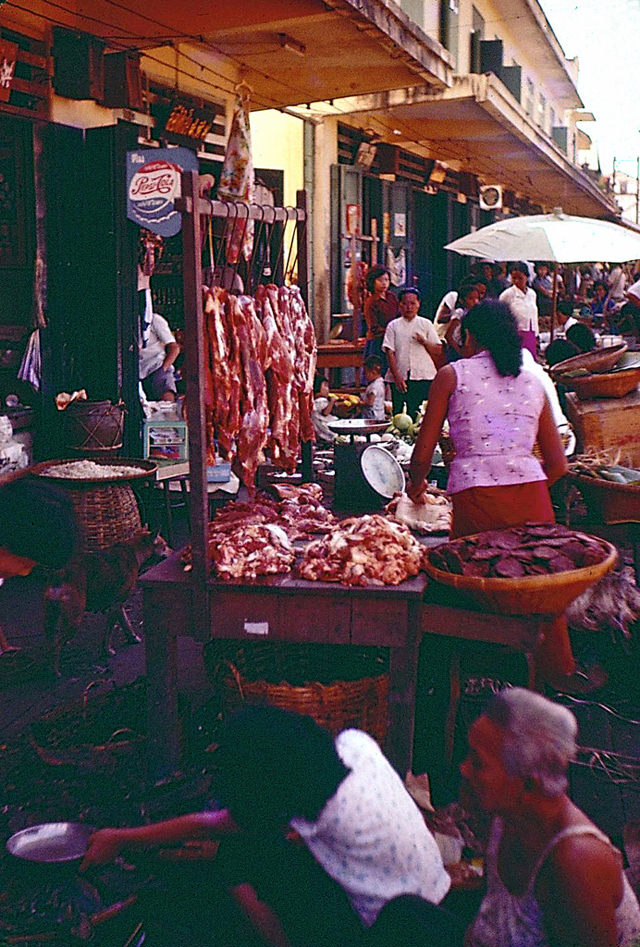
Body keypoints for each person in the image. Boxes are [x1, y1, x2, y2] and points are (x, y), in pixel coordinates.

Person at [81, 705, 452, 946]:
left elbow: (209, 824)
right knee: (273, 849)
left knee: (236, 858)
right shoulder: (356, 744)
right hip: (434, 893)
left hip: (393, 932)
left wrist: (119, 839)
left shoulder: (329, 813)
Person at [406, 300, 598, 692]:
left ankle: (478, 679)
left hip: (477, 501)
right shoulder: (532, 379)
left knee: (479, 588)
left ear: (471, 337)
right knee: (537, 591)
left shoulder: (451, 375)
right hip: (532, 498)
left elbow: (422, 454)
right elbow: (559, 465)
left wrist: (415, 487)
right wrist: (522, 484)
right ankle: (551, 679)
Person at [462, 688, 640, 947]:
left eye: (479, 764)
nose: (464, 769)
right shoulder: (506, 817)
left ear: (528, 785)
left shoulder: (575, 864)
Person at [382, 288, 445, 419]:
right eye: (405, 304)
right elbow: (389, 352)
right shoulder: (393, 326)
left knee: (418, 412)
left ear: (418, 304)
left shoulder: (425, 324)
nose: (408, 307)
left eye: (412, 304)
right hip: (400, 374)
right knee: (398, 413)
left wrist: (424, 342)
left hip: (422, 375)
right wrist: (397, 376)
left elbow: (438, 350)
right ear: (400, 305)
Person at [362, 265, 399, 371]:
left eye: (386, 280)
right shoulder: (371, 302)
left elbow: (398, 314)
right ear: (373, 282)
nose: (384, 283)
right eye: (380, 280)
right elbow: (373, 326)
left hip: (394, 339)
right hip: (377, 341)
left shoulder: (391, 297)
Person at [499, 262, 539, 357]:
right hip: (515, 335)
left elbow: (534, 315)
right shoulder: (507, 294)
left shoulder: (532, 294)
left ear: (526, 277)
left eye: (520, 278)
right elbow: (500, 316)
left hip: (531, 334)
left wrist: (537, 335)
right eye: (514, 278)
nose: (517, 281)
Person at [139, 311, 180, 402]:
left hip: (156, 368)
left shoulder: (154, 320)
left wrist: (163, 369)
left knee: (167, 404)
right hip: (139, 374)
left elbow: (174, 348)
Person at [444, 280, 481, 360]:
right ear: (462, 300)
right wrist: (459, 351)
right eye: (471, 299)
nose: (475, 302)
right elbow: (448, 335)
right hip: (456, 349)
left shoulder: (475, 314)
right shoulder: (460, 313)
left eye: (477, 298)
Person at [311, 374, 337, 444]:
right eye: (325, 386)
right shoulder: (321, 400)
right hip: (325, 426)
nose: (328, 389)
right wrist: (332, 401)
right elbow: (325, 412)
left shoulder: (314, 401)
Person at [361, 355, 386, 421]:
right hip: (380, 415)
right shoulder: (381, 382)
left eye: (365, 373)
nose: (365, 376)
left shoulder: (374, 386)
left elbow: (370, 402)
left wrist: (359, 403)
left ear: (373, 372)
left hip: (372, 417)